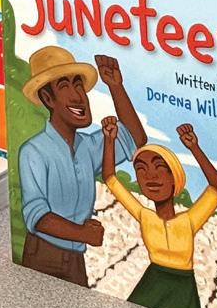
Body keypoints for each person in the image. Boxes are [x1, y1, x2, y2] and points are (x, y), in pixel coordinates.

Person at [16, 48, 144, 286]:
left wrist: (115, 86)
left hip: (76, 260)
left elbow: (135, 137)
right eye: (65, 87)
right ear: (47, 99)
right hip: (43, 256)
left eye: (78, 85)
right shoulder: (33, 151)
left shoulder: (88, 147)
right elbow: (37, 215)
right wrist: (82, 233)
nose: (78, 97)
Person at [101, 118, 217, 308]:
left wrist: (194, 148)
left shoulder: (189, 220)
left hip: (183, 290)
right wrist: (109, 140)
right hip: (152, 285)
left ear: (174, 177)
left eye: (159, 167)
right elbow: (110, 178)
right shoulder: (145, 216)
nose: (150, 176)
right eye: (141, 169)